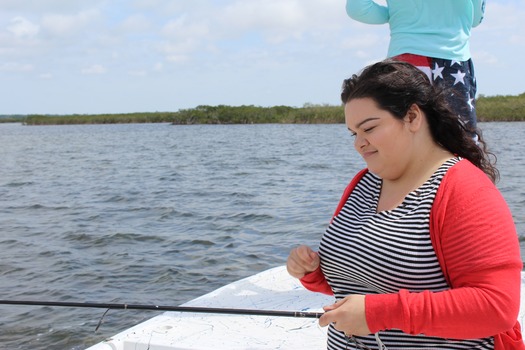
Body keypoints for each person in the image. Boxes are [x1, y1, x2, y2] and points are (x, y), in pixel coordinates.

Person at [286, 60, 523, 349]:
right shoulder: (363, 183)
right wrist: (313, 272)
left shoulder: (464, 189)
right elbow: (361, 282)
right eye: (354, 133)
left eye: (369, 128)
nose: (359, 144)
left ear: (412, 117)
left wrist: (378, 313)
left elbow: (495, 307)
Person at [345, 0, 485, 132]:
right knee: (458, 137)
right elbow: (475, 18)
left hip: (402, 60)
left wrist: (391, 14)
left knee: (403, 133)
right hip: (451, 60)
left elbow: (357, 8)